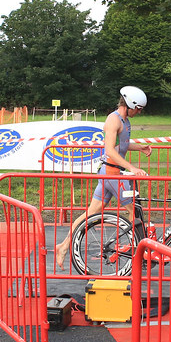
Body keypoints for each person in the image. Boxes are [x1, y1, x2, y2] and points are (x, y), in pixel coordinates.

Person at [55, 86, 152, 266]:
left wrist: (140, 147)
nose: (139, 112)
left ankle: (64, 246)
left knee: (91, 213)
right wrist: (132, 168)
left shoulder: (124, 120)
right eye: (138, 109)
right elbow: (110, 150)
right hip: (112, 173)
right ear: (130, 105)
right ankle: (140, 254)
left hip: (110, 173)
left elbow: (122, 144)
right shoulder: (113, 120)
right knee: (134, 212)